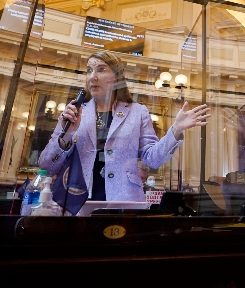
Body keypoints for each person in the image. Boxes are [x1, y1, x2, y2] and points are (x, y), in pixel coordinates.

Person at [38, 50, 210, 204]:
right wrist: (67, 135)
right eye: (89, 70)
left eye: (101, 69)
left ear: (116, 77)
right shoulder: (73, 112)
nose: (92, 76)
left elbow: (153, 159)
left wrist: (176, 130)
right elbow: (47, 166)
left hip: (124, 199)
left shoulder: (138, 112)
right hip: (76, 200)